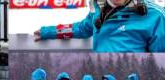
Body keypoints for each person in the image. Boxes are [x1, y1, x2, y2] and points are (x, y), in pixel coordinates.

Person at [34, 0, 165, 52]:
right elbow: (82, 29)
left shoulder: (156, 16)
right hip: (102, 76)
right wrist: (48, 32)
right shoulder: (97, 7)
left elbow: (158, 62)